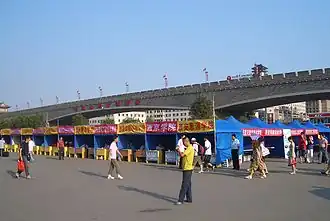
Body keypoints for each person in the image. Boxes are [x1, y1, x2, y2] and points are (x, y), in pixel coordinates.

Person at [176, 136, 194, 205]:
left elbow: (182, 155)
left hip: (187, 168)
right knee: (188, 184)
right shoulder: (189, 148)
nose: (183, 144)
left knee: (184, 184)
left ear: (187, 141)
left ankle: (180, 200)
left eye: (184, 142)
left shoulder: (189, 148)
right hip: (187, 167)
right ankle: (189, 199)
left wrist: (178, 150)